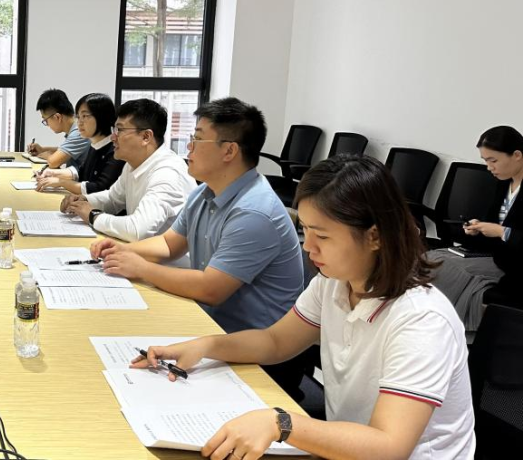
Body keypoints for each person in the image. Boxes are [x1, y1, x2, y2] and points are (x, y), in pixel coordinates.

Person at [132, 154, 475, 460]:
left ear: (374, 236)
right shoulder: (334, 283)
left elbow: (389, 446)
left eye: (322, 236)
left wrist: (281, 423)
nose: (308, 247)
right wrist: (205, 346)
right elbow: (276, 341)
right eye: (306, 230)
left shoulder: (421, 320)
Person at [91, 97, 304, 394]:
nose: (188, 147)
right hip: (211, 327)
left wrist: (141, 268)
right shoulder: (204, 192)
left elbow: (210, 289)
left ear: (229, 151)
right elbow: (169, 244)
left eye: (198, 139)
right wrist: (123, 251)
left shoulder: (254, 212)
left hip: (256, 353)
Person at [62, 99, 195, 241]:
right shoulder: (133, 163)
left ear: (146, 137)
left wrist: (93, 215)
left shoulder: (167, 173)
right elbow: (113, 199)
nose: (113, 137)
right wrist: (84, 199)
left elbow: (137, 229)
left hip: (161, 255)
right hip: (139, 250)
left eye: (119, 130)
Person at [431, 125, 523, 325]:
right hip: (501, 258)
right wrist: (478, 228)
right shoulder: (504, 183)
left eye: (493, 160)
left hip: (516, 267)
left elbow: (504, 232)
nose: (489, 167)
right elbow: (494, 226)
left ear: (517, 155)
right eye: (486, 161)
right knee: (431, 262)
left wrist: (502, 232)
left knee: (447, 274)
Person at [35, 93, 123, 196]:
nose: (79, 123)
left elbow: (100, 188)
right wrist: (53, 173)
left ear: (101, 117)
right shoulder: (95, 145)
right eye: (78, 117)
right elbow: (81, 172)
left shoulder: (115, 150)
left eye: (84, 116)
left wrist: (61, 182)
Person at [26, 88, 91, 170]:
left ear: (57, 117)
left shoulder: (79, 132)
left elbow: (53, 162)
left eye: (46, 120)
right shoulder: (75, 127)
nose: (47, 124)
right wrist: (42, 149)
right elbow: (64, 150)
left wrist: (50, 156)